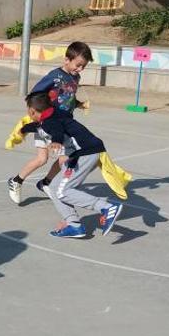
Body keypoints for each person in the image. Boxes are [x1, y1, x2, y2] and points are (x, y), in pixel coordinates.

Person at [19, 92, 123, 238]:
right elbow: (41, 125)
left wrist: (56, 141)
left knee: (63, 191)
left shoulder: (50, 122)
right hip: (85, 152)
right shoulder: (56, 113)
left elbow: (56, 130)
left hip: (84, 153)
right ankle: (74, 225)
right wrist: (24, 129)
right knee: (54, 187)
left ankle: (106, 207)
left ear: (31, 111)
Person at [7, 42, 92, 204]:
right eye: (78, 65)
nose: (80, 69)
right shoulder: (54, 76)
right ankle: (16, 181)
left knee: (64, 159)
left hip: (64, 124)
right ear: (66, 59)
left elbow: (67, 98)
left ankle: (45, 182)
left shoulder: (76, 77)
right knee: (42, 159)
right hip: (46, 123)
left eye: (83, 66)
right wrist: (36, 114)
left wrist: (78, 104)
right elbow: (35, 95)